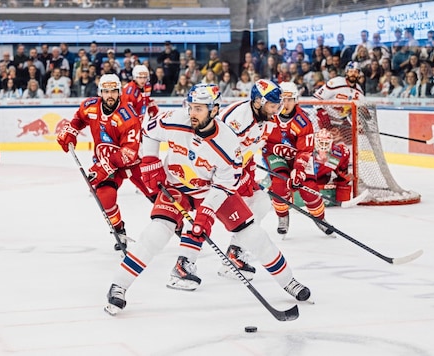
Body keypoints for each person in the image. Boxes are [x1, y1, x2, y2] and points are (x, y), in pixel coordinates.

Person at [104, 83, 311, 315]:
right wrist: (150, 161)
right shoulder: (176, 118)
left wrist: (206, 212)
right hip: (176, 186)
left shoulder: (228, 143)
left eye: (199, 109)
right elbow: (149, 131)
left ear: (213, 110)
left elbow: (224, 185)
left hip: (210, 189)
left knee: (254, 235)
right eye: (191, 107)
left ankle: (289, 281)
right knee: (154, 235)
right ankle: (118, 287)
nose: (192, 113)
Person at [166, 79, 283, 289]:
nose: (276, 110)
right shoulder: (238, 119)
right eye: (272, 105)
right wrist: (241, 176)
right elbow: (222, 153)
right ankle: (184, 264)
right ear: (258, 102)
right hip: (210, 173)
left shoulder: (266, 118)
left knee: (260, 203)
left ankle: (234, 255)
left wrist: (250, 171)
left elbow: (252, 150)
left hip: (233, 172)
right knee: (206, 215)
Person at [56, 74, 153, 252]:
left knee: (154, 193)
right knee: (105, 197)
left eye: (113, 91)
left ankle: (176, 224)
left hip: (133, 164)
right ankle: (119, 230)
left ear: (119, 92)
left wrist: (103, 167)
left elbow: (129, 153)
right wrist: (71, 131)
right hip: (107, 162)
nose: (109, 95)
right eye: (106, 91)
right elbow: (79, 118)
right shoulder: (90, 107)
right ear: (101, 92)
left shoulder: (128, 117)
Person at [262, 81, 333, 237]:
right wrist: (271, 148)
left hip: (298, 157)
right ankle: (282, 217)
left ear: (296, 100)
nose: (285, 104)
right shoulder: (269, 116)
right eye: (283, 100)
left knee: (309, 190)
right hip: (275, 155)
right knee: (280, 185)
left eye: (290, 100)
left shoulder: (303, 121)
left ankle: (320, 219)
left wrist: (299, 170)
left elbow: (305, 150)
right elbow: (262, 140)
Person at [312, 128, 352, 204]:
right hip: (307, 180)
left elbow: (345, 154)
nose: (323, 146)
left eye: (326, 143)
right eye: (321, 143)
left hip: (323, 179)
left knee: (344, 178)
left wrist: (342, 178)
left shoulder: (338, 153)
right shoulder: (306, 151)